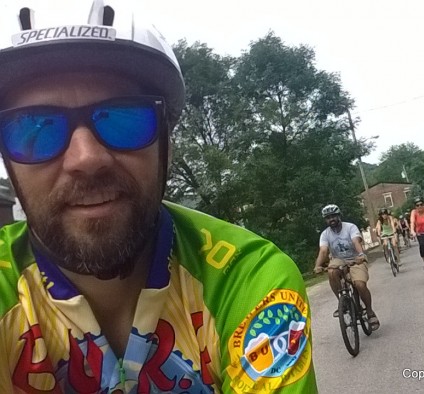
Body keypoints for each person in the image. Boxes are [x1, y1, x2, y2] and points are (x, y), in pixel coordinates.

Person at [0, 3, 317, 393]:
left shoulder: (247, 281)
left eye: (123, 119)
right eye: (35, 128)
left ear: (167, 140)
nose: (87, 159)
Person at [313, 205, 380, 330]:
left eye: (333, 216)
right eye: (328, 218)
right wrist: (318, 266)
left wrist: (361, 255)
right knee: (332, 271)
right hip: (339, 260)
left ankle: (370, 312)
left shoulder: (350, 227)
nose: (331, 219)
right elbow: (323, 251)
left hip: (355, 259)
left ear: (339, 216)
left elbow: (356, 241)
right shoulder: (325, 234)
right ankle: (342, 302)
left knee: (360, 285)